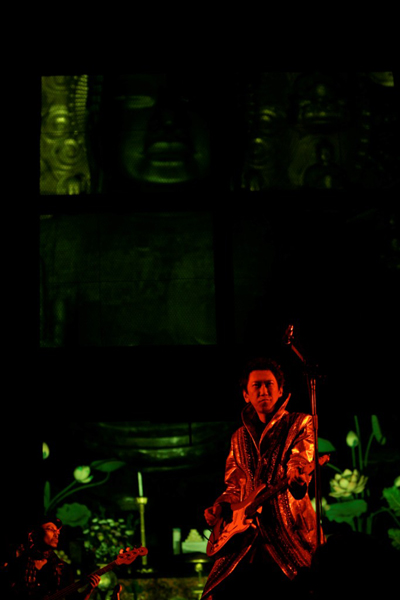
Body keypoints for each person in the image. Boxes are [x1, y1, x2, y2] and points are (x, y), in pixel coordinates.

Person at [201, 357, 323, 600]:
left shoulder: (300, 423)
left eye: (269, 384)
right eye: (256, 386)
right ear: (246, 395)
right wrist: (220, 507)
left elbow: (300, 458)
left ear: (280, 390)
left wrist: (298, 476)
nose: (264, 391)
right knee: (216, 591)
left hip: (288, 532)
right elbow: (235, 485)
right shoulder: (239, 437)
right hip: (244, 535)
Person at [1, 516, 100, 599]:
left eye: (57, 531)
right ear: (34, 534)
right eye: (50, 529)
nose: (56, 534)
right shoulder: (16, 563)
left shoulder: (62, 568)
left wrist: (88, 590)